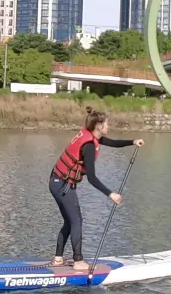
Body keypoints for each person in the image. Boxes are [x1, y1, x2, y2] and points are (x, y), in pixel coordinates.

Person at [49, 106, 144, 270]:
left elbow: (113, 143)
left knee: (70, 221)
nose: (109, 127)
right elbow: (92, 178)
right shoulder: (89, 146)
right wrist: (111, 194)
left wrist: (132, 142)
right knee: (76, 220)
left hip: (57, 181)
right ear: (99, 126)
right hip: (62, 184)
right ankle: (78, 261)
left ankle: (58, 259)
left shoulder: (92, 136)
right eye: (107, 124)